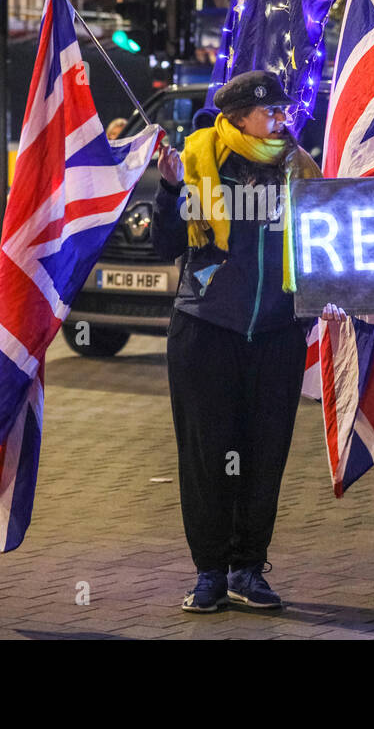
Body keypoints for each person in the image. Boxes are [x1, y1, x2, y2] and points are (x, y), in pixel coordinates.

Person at [152, 69, 327, 613]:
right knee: (208, 457)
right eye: (269, 112)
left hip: (276, 335)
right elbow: (166, 246)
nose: (281, 119)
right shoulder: (202, 160)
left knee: (263, 456)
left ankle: (248, 569)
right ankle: (209, 572)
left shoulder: (299, 167)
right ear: (235, 118)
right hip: (206, 332)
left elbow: (327, 234)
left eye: (283, 110)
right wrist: (169, 189)